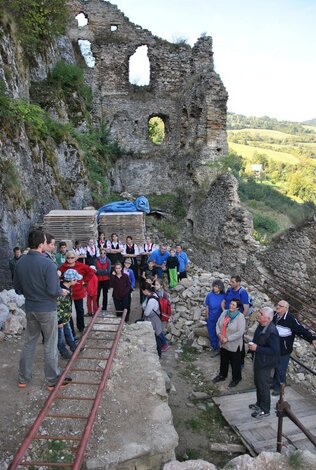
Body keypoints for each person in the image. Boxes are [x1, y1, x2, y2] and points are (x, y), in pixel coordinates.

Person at [13, 230, 71, 390]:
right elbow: (53, 291)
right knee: (50, 344)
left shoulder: (20, 262)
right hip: (47, 309)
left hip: (30, 308)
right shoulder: (48, 264)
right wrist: (62, 291)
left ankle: (23, 378)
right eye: (46, 242)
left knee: (29, 342)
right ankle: (52, 381)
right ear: (40, 245)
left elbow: (17, 289)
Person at [272, 300, 316, 396]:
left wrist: (312, 339)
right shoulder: (274, 315)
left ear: (286, 308)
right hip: (274, 348)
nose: (277, 307)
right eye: (277, 305)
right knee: (276, 367)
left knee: (281, 369)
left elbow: (301, 330)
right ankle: (274, 383)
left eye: (280, 306)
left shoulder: (290, 319)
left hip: (284, 349)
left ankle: (278, 388)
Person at [248, 306, 280, 418]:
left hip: (265, 363)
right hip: (258, 361)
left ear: (268, 318)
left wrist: (257, 349)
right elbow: (257, 340)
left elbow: (274, 350)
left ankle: (265, 410)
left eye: (261, 314)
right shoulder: (261, 326)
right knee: (258, 383)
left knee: (263, 386)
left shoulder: (272, 331)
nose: (258, 315)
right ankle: (259, 404)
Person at [59, 251, 94, 336]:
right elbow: (59, 274)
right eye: (68, 258)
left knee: (80, 310)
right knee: (68, 311)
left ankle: (81, 327)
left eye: (72, 258)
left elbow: (91, 272)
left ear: (75, 258)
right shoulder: (63, 267)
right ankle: (71, 331)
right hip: (67, 292)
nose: (70, 260)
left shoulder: (81, 266)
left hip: (78, 291)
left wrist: (84, 281)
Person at [213, 299, 246, 387]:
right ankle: (222, 375)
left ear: (238, 308)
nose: (231, 306)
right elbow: (217, 324)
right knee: (223, 360)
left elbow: (240, 332)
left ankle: (236, 379)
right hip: (223, 341)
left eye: (233, 305)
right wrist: (219, 334)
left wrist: (227, 339)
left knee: (235, 363)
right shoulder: (225, 313)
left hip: (233, 344)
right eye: (230, 304)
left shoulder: (240, 317)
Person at [57, 269, 82, 360]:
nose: (77, 281)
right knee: (60, 336)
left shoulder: (67, 287)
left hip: (66, 315)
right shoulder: (61, 291)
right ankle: (63, 351)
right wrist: (59, 321)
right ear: (72, 280)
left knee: (69, 332)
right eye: (76, 279)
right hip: (60, 318)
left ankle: (72, 345)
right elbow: (57, 306)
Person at [142, 282, 167, 358]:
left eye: (143, 291)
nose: (142, 292)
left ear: (146, 290)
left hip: (154, 318)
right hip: (156, 317)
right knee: (158, 332)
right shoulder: (153, 294)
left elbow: (146, 313)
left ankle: (164, 345)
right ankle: (162, 347)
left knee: (158, 333)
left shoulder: (151, 300)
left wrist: (143, 307)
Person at [204, 279, 226, 357]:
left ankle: (223, 349)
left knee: (220, 333)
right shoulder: (209, 295)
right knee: (212, 333)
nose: (214, 288)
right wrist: (207, 315)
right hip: (211, 317)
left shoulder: (223, 296)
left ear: (220, 288)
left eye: (216, 286)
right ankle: (215, 349)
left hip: (220, 318)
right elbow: (207, 306)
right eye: (214, 286)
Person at [95, 248, 111, 312]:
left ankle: (104, 308)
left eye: (104, 253)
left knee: (105, 294)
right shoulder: (96, 260)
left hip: (106, 279)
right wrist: (104, 271)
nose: (102, 254)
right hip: (98, 279)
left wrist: (100, 271)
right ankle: (96, 307)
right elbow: (95, 270)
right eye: (101, 253)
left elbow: (109, 271)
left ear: (106, 253)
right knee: (97, 294)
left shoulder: (108, 261)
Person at [123, 258, 135, 322]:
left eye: (129, 263)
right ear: (124, 264)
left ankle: (127, 317)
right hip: (122, 288)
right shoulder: (121, 270)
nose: (127, 264)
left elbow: (133, 280)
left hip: (128, 288)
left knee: (128, 303)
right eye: (126, 263)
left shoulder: (131, 271)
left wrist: (131, 287)